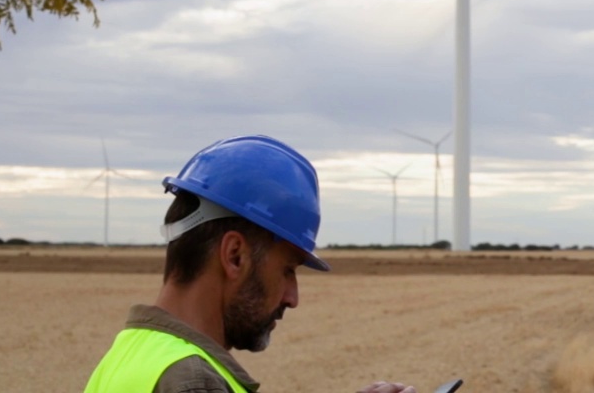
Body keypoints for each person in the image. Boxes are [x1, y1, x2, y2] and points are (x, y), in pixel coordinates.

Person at [83, 135, 416, 393]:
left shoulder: (131, 353)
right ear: (234, 256)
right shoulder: (193, 381)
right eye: (288, 270)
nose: (292, 298)